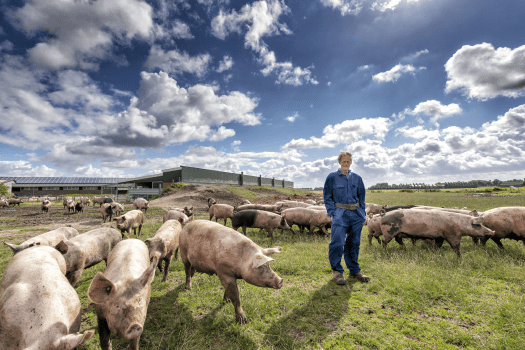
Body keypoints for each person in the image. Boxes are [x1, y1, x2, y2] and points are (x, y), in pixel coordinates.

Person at [323, 151, 369, 285]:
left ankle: (354, 270)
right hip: (340, 213)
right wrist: (333, 212)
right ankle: (337, 272)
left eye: (348, 161)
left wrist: (362, 212)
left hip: (356, 214)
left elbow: (362, 197)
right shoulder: (332, 177)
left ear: (351, 162)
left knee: (354, 243)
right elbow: (327, 196)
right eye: (344, 161)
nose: (346, 163)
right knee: (337, 242)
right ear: (339, 162)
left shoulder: (357, 178)